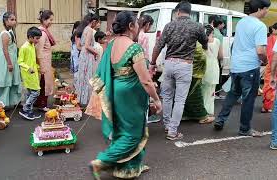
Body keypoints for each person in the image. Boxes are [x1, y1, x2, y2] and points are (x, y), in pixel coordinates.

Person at [88, 11, 161, 179]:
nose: (137, 27)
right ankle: (100, 162)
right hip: (131, 95)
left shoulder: (112, 44)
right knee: (132, 134)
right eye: (136, 23)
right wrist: (156, 100)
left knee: (123, 130)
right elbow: (146, 81)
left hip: (117, 91)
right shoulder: (134, 47)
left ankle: (131, 167)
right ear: (130, 26)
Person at [150, 1, 208, 140]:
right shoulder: (197, 26)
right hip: (185, 65)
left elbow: (158, 46)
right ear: (190, 12)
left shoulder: (169, 26)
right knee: (180, 100)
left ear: (177, 11)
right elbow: (205, 43)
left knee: (167, 97)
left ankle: (167, 125)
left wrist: (152, 63)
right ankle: (172, 131)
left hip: (169, 64)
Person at [213, 0, 270, 137]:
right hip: (250, 67)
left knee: (232, 95)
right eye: (266, 9)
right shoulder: (260, 26)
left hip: (236, 66)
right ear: (260, 9)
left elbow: (236, 43)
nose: (267, 11)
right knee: (249, 98)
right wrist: (266, 61)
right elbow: (260, 51)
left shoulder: (242, 22)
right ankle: (245, 129)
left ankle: (220, 120)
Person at [0, 12, 21, 107]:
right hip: (6, 60)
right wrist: (9, 63)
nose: (14, 21)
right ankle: (1, 104)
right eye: (12, 19)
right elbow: (5, 50)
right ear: (6, 21)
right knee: (6, 81)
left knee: (11, 80)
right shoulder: (4, 33)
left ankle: (11, 102)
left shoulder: (11, 31)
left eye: (15, 19)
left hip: (12, 58)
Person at [75, 13, 100, 106]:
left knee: (83, 77)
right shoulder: (89, 30)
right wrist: (96, 52)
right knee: (88, 77)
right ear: (93, 21)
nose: (97, 24)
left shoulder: (85, 28)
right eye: (97, 22)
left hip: (83, 55)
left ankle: (82, 99)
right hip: (87, 56)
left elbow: (83, 46)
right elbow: (87, 46)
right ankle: (87, 101)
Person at [18, 27, 42, 120]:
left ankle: (29, 112)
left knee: (30, 93)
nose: (38, 40)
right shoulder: (24, 47)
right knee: (36, 92)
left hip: (34, 73)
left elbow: (32, 60)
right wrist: (28, 68)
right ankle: (25, 108)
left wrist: (38, 68)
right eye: (37, 38)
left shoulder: (32, 45)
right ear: (30, 37)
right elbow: (20, 61)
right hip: (28, 74)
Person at [35, 10, 56, 111]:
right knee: (44, 83)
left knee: (44, 83)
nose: (51, 22)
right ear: (43, 20)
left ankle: (39, 102)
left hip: (46, 61)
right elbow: (39, 50)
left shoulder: (44, 31)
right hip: (44, 62)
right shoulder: (42, 33)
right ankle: (42, 104)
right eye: (49, 20)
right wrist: (41, 65)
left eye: (52, 20)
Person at [201, 25, 223, 120]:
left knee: (202, 90)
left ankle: (201, 111)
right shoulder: (217, 41)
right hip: (213, 66)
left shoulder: (200, 42)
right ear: (211, 33)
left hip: (202, 66)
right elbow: (221, 56)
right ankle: (209, 111)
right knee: (211, 91)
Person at [85, 31, 107, 120]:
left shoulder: (93, 46)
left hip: (92, 67)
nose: (105, 40)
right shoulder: (99, 48)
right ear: (99, 39)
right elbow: (101, 60)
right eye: (103, 39)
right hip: (98, 68)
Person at [262, 23, 277, 113]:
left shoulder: (269, 39)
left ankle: (266, 106)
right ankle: (270, 106)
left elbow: (270, 54)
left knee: (268, 85)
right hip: (273, 65)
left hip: (271, 65)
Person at [70, 21, 80, 89]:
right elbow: (78, 47)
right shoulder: (77, 33)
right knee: (77, 70)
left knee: (76, 71)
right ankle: (77, 86)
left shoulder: (74, 32)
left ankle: (76, 85)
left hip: (74, 53)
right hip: (76, 54)